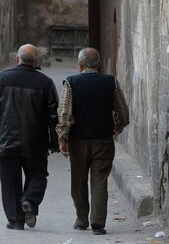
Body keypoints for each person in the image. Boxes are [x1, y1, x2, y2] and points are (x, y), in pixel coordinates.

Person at [0, 44, 60, 230]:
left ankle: (16, 220)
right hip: (35, 142)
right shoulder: (45, 83)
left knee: (9, 181)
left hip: (5, 140)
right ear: (36, 62)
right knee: (38, 175)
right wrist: (55, 142)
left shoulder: (1, 78)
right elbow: (54, 115)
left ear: (17, 59)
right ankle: (30, 199)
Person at [56, 47, 130, 235]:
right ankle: (98, 224)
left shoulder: (71, 83)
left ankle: (81, 220)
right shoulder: (110, 82)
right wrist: (120, 125)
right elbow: (122, 110)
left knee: (78, 180)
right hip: (103, 140)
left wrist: (63, 138)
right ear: (99, 64)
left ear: (80, 65)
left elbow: (64, 113)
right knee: (100, 180)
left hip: (78, 141)